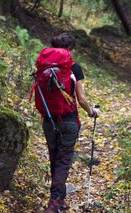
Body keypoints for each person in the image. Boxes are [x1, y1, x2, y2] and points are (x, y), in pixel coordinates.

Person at [42, 32, 99, 213]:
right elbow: (81, 99)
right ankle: (55, 202)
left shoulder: (44, 67)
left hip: (49, 120)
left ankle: (59, 198)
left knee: (54, 158)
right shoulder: (74, 68)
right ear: (70, 49)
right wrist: (92, 112)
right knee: (63, 161)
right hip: (69, 121)